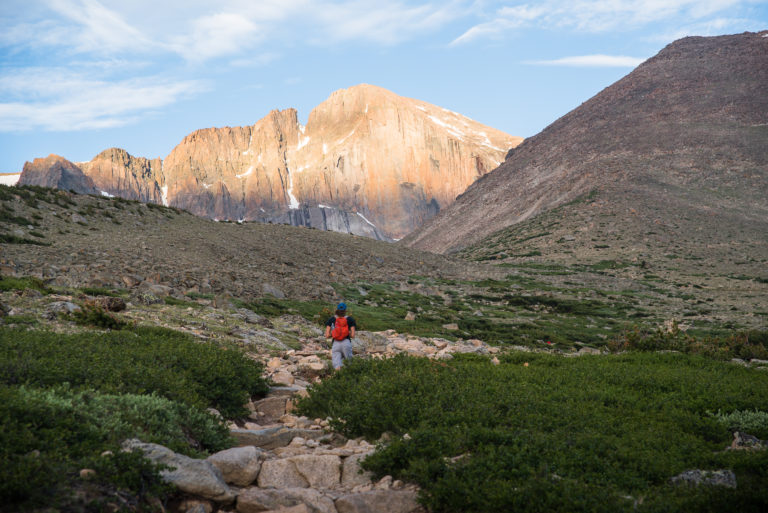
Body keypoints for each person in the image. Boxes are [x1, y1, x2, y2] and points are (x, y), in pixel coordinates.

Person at [325, 302, 356, 369]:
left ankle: (337, 377)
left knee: (337, 365)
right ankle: (347, 378)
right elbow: (353, 335)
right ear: (345, 310)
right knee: (348, 364)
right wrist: (346, 332)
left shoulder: (331, 319)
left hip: (336, 343)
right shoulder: (350, 319)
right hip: (346, 342)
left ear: (337, 310)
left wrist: (334, 333)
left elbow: (327, 335)